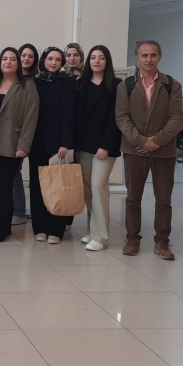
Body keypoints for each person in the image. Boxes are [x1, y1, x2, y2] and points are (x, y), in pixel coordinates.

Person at [116, 40, 183, 260]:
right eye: (144, 55)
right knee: (133, 197)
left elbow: (177, 118)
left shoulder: (172, 85)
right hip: (134, 149)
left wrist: (156, 141)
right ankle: (132, 238)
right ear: (136, 58)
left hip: (164, 151)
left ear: (160, 57)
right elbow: (122, 117)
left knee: (163, 198)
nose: (148, 59)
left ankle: (162, 241)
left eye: (153, 55)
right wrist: (140, 140)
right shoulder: (126, 85)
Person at [0, 47, 39, 245]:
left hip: (11, 144)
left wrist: (24, 145)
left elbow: (31, 118)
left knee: (3, 187)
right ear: (0, 62)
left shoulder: (27, 86)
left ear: (18, 63)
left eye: (13, 59)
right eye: (5, 58)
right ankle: (4, 226)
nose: (8, 62)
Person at [74, 45, 122, 251]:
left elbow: (116, 119)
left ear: (107, 61)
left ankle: (100, 236)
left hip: (104, 146)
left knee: (98, 186)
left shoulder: (116, 85)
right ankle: (92, 230)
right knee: (87, 189)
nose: (96, 61)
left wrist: (105, 145)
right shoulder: (80, 83)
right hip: (83, 144)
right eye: (93, 57)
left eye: (101, 58)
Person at [30, 47, 75, 244]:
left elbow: (69, 114)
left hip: (58, 144)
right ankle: (39, 228)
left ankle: (56, 229)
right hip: (36, 141)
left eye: (58, 59)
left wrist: (65, 143)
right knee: (37, 185)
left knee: (58, 186)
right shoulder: (34, 81)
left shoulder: (68, 82)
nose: (54, 62)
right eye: (50, 59)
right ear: (44, 61)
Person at [12, 43, 40, 224]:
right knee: (14, 172)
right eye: (23, 55)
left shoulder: (37, 80)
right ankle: (18, 211)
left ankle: (35, 213)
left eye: (30, 56)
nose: (26, 59)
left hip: (35, 132)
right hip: (16, 133)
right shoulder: (11, 78)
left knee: (37, 175)